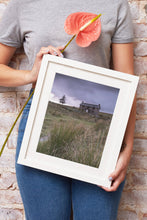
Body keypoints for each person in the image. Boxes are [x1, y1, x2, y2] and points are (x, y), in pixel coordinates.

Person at [0, 0, 136, 219]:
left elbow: (128, 83)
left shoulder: (115, 4)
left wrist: (126, 148)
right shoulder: (22, 4)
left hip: (102, 131)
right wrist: (30, 75)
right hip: (40, 124)